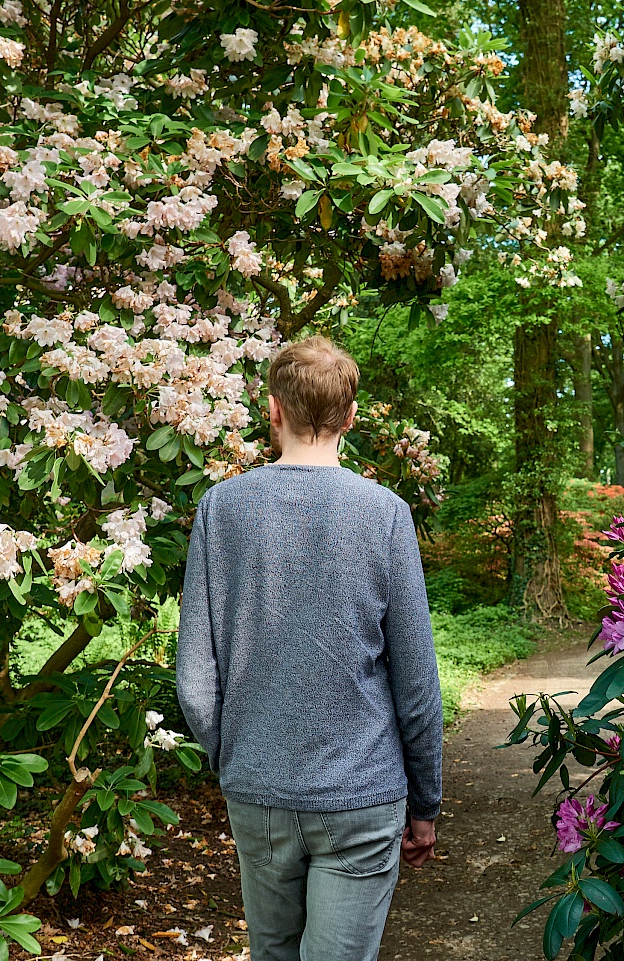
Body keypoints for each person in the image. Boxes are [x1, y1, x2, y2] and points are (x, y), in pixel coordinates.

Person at [176, 335, 442, 961]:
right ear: (351, 416)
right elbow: (416, 678)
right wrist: (424, 801)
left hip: (258, 791)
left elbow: (194, 678)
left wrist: (237, 761)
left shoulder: (221, 510)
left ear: (272, 409)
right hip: (363, 795)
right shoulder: (386, 514)